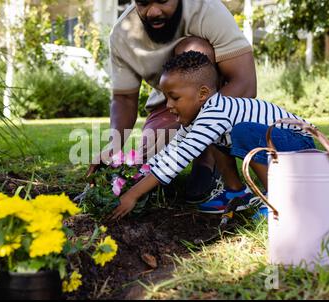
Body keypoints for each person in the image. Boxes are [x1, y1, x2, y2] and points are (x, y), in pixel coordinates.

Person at [87, 0, 257, 204]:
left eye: (163, 0)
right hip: (170, 106)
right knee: (142, 172)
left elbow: (245, 84)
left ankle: (208, 158)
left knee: (194, 49)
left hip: (220, 99)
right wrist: (114, 144)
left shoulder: (207, 10)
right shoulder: (123, 34)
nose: (154, 11)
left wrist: (198, 133)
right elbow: (124, 98)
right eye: (143, 3)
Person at [111, 51, 316, 220]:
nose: (168, 106)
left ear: (202, 94)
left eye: (174, 98)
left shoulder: (216, 113)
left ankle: (277, 199)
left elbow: (178, 158)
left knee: (242, 131)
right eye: (166, 98)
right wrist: (137, 175)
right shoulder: (201, 117)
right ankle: (236, 191)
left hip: (297, 143)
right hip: (280, 144)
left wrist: (132, 195)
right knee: (216, 139)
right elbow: (172, 150)